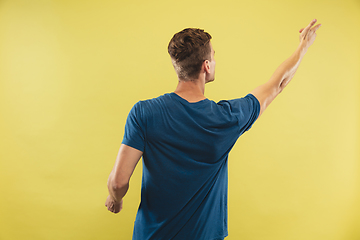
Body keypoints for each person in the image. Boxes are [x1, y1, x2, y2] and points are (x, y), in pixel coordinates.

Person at [105, 19, 321, 239]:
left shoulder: (143, 112)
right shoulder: (227, 118)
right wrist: (303, 46)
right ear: (206, 66)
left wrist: (115, 198)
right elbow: (278, 84)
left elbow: (118, 182)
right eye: (214, 56)